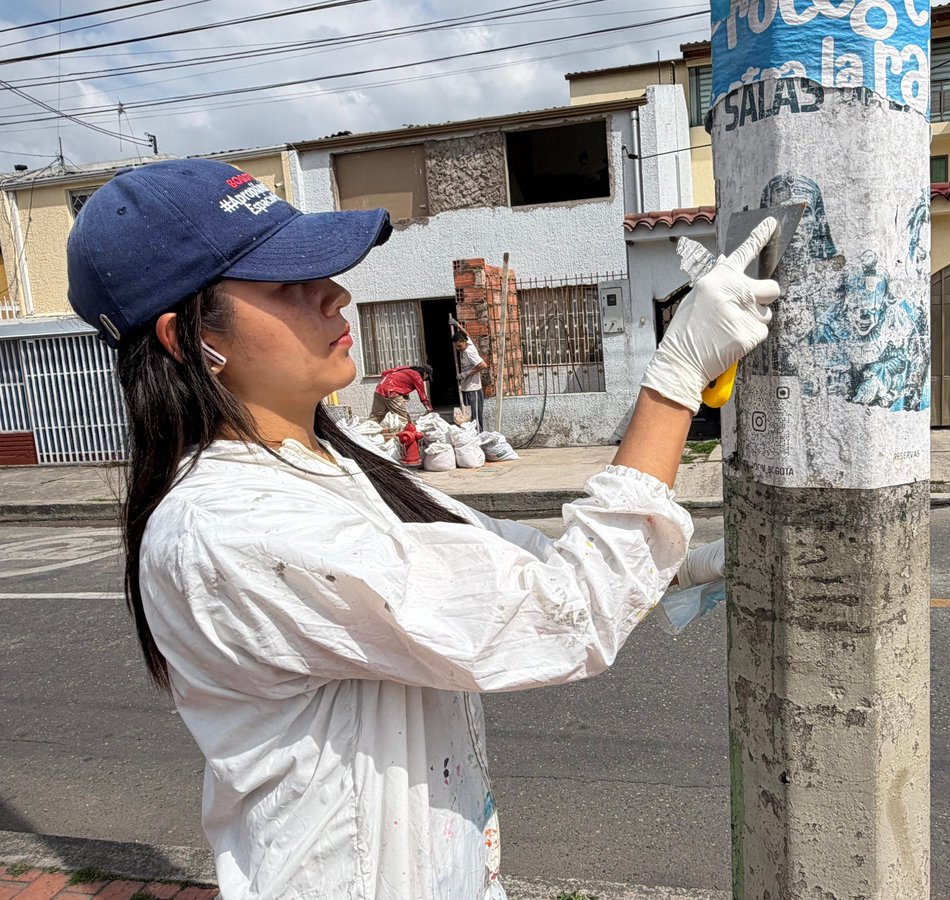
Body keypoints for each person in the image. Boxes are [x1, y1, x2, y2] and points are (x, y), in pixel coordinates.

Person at [65, 158, 778, 900]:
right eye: (284, 285)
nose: (335, 294)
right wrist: (675, 380)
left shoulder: (334, 467)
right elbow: (561, 614)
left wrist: (690, 566)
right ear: (186, 339)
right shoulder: (227, 526)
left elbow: (511, 560)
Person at [452, 329, 487, 428]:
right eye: (456, 347)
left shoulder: (469, 352)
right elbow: (467, 334)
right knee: (469, 417)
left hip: (473, 390)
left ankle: (478, 438)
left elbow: (483, 365)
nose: (458, 349)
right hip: (466, 389)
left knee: (475, 418)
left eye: (459, 346)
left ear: (464, 342)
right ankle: (472, 438)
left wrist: (466, 373)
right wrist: (457, 324)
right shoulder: (468, 343)